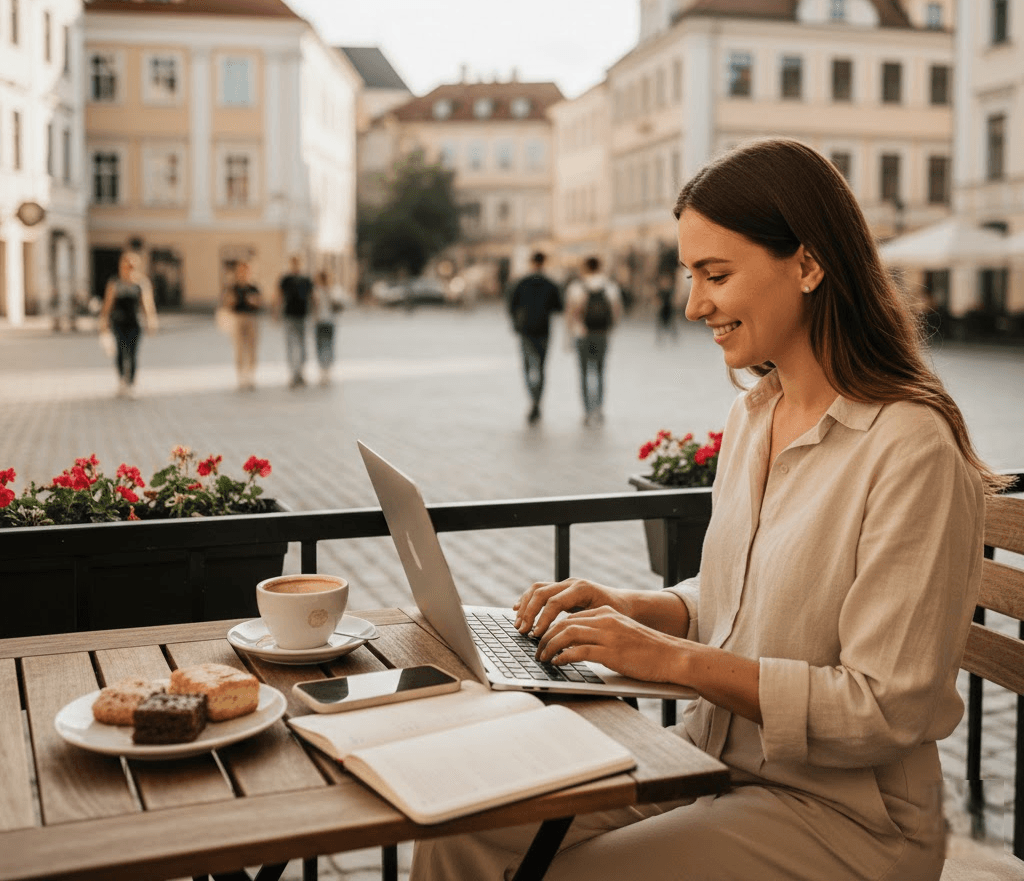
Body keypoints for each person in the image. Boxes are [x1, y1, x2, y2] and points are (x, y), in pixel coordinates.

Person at [410, 138, 1007, 881]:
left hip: (843, 819)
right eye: (691, 275)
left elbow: (884, 710)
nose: (693, 304)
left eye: (716, 275)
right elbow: (738, 599)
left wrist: (671, 662)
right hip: (708, 761)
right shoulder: (757, 415)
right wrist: (637, 608)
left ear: (810, 264)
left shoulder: (911, 448)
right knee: (461, 830)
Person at [564, 256, 622, 426]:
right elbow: (617, 311)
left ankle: (587, 411)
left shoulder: (575, 287)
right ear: (600, 267)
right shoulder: (610, 286)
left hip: (582, 335)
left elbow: (570, 314)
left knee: (583, 373)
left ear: (584, 267)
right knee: (600, 372)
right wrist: (611, 330)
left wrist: (568, 336)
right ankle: (599, 408)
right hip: (602, 334)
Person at [507, 251, 564, 423]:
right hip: (543, 331)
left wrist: (516, 323)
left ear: (531, 262)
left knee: (527, 367)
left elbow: (511, 306)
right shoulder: (551, 284)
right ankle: (538, 401)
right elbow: (559, 308)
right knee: (541, 368)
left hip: (526, 331)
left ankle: (532, 399)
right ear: (544, 262)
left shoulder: (521, 283)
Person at [98, 250, 158, 398]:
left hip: (134, 323)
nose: (129, 268)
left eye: (132, 265)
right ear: (121, 265)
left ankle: (130, 383)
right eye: (126, 265)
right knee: (120, 352)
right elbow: (108, 305)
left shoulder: (141, 283)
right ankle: (121, 382)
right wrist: (103, 321)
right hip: (118, 322)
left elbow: (147, 305)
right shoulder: (115, 283)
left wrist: (151, 320)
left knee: (132, 353)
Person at [222, 262, 261, 390]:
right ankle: (241, 375)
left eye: (245, 271)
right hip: (237, 318)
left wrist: (255, 301)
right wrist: (230, 301)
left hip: (251, 318)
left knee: (251, 348)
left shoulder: (253, 287)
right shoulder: (233, 287)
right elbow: (226, 303)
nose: (243, 273)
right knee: (238, 347)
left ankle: (250, 375)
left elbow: (260, 302)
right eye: (240, 271)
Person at [277, 255, 313, 388]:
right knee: (291, 345)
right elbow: (279, 295)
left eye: (298, 263)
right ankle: (293, 372)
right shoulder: (285, 279)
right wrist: (275, 313)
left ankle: (301, 372)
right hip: (289, 315)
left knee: (302, 344)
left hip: (303, 315)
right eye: (294, 263)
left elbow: (312, 297)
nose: (296, 266)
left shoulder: (306, 279)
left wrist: (314, 314)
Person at [312, 269, 342, 385]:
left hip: (321, 321)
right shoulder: (333, 290)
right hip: (329, 321)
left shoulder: (318, 291)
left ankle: (323, 369)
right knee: (328, 345)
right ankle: (327, 369)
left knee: (321, 345)